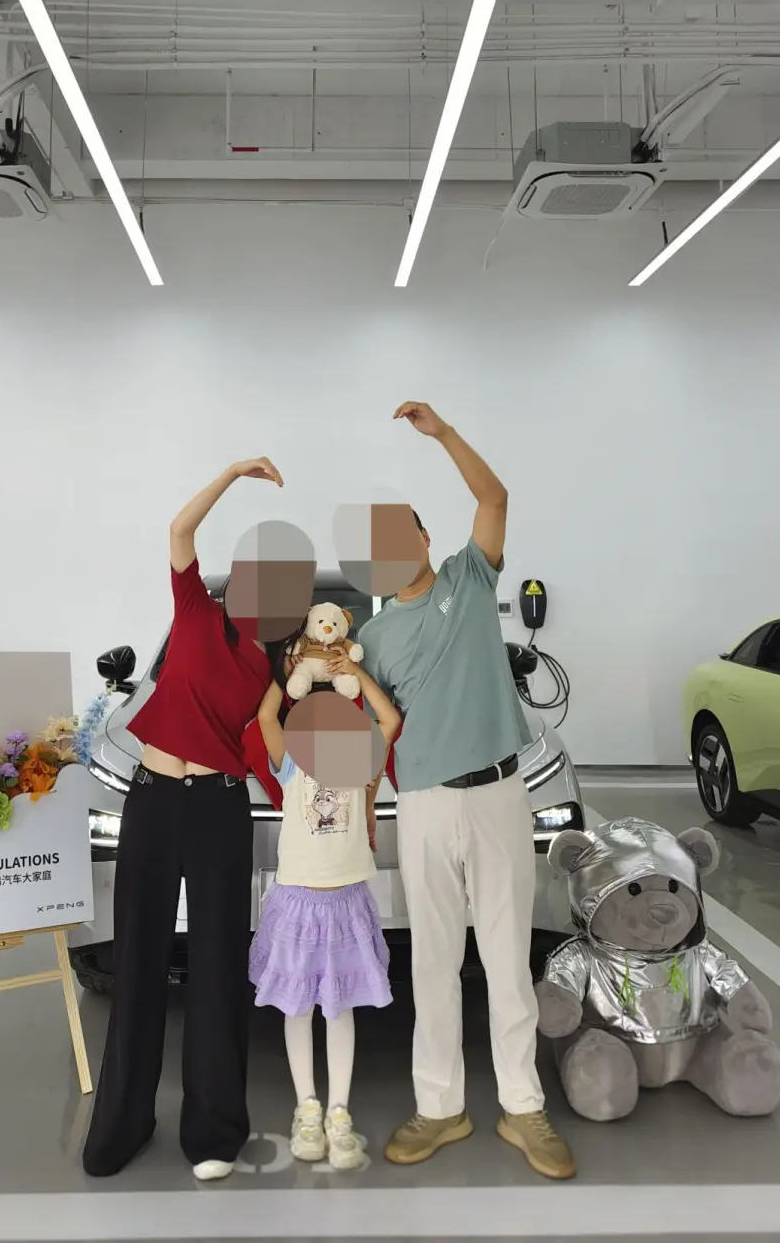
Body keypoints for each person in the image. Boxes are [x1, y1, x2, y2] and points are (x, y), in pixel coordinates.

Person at [356, 403, 576, 1181]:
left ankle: (523, 1106)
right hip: (423, 806)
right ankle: (440, 1106)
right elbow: (371, 733)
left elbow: (494, 497)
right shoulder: (370, 641)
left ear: (423, 538)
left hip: (498, 795)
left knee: (508, 958)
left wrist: (444, 434)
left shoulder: (469, 577)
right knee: (434, 962)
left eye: (401, 534)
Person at [82, 457, 308, 1183]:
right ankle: (123, 1122)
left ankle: (213, 1129)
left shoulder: (276, 672)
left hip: (219, 809)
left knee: (216, 968)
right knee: (138, 961)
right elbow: (179, 530)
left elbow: (283, 740)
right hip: (152, 799)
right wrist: (234, 473)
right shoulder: (195, 611)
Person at [249, 640, 401, 1169]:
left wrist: (356, 670)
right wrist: (289, 670)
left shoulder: (362, 762)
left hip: (345, 904)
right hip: (297, 903)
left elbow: (389, 719)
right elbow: (266, 715)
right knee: (298, 1009)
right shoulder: (290, 763)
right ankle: (307, 1108)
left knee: (339, 1009)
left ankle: (338, 1112)